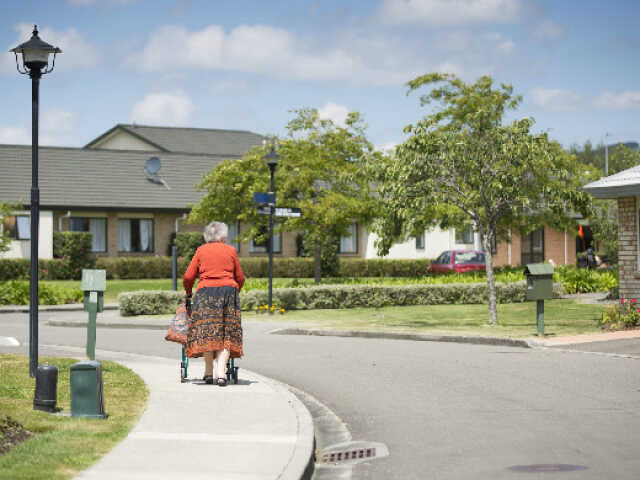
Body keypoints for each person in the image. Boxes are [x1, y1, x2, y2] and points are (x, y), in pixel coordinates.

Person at [183, 221, 245, 386]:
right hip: (228, 293)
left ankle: (208, 372)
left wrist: (189, 293)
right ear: (223, 236)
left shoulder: (201, 251)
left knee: (207, 331)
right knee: (226, 333)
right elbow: (240, 278)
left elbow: (188, 277)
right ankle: (221, 372)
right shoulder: (231, 250)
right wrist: (234, 292)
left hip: (205, 294)